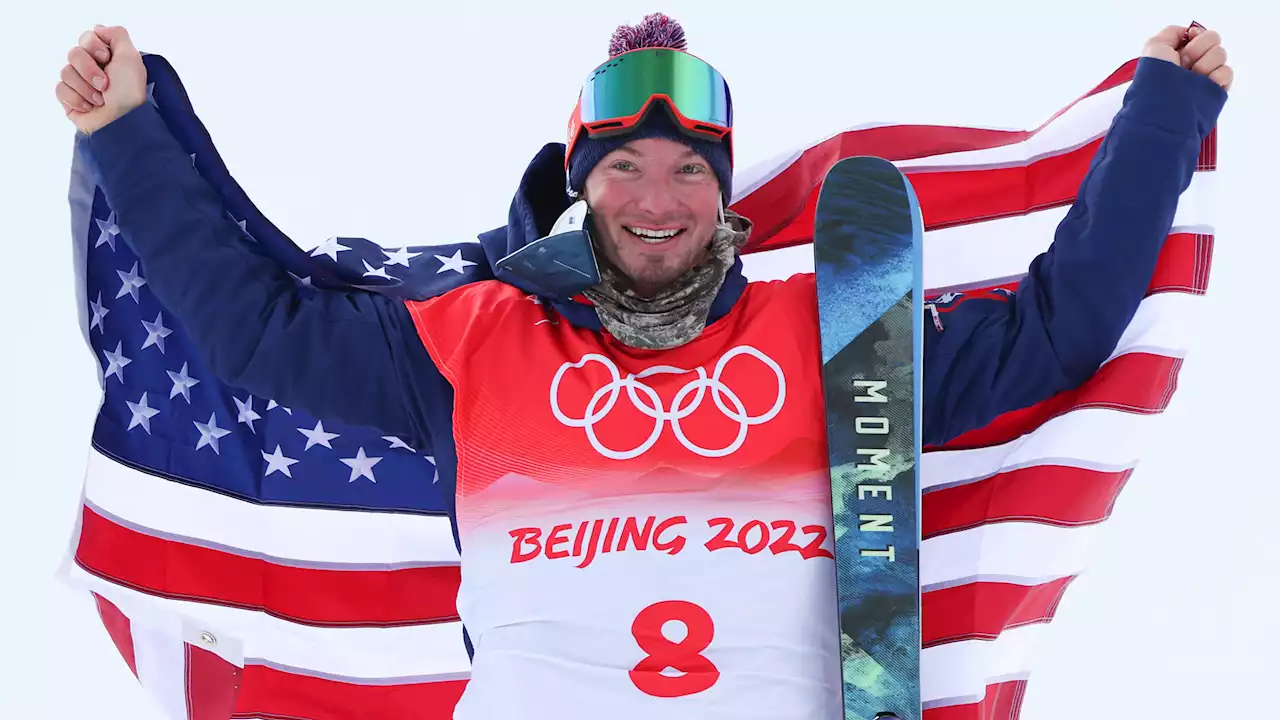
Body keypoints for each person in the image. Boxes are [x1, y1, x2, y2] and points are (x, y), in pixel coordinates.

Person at [55, 13, 1231, 719]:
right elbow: (254, 330)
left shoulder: (831, 337)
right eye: (622, 168)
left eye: (686, 170)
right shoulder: (473, 338)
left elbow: (1060, 326)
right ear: (581, 185)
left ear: (723, 195)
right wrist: (126, 132)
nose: (655, 198)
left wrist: (1162, 116)